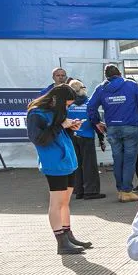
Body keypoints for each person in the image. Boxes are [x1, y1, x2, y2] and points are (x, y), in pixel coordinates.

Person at [27, 84, 92, 255]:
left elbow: (57, 133)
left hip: (67, 161)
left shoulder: (56, 111)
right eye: (66, 105)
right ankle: (61, 242)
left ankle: (67, 235)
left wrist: (71, 128)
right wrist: (62, 126)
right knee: (56, 203)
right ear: (56, 99)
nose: (67, 108)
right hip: (54, 163)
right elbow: (39, 139)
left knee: (64, 202)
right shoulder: (36, 114)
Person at [86, 64, 138, 202]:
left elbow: (90, 106)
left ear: (106, 75)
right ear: (120, 73)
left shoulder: (101, 88)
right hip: (131, 126)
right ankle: (127, 191)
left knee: (118, 159)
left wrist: (96, 122)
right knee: (130, 160)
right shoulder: (131, 85)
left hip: (113, 127)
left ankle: (121, 190)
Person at [65, 80, 105, 200]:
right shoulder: (89, 103)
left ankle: (78, 191)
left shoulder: (68, 104)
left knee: (76, 165)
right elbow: (95, 121)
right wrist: (101, 137)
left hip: (72, 136)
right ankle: (91, 191)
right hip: (87, 137)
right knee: (89, 165)